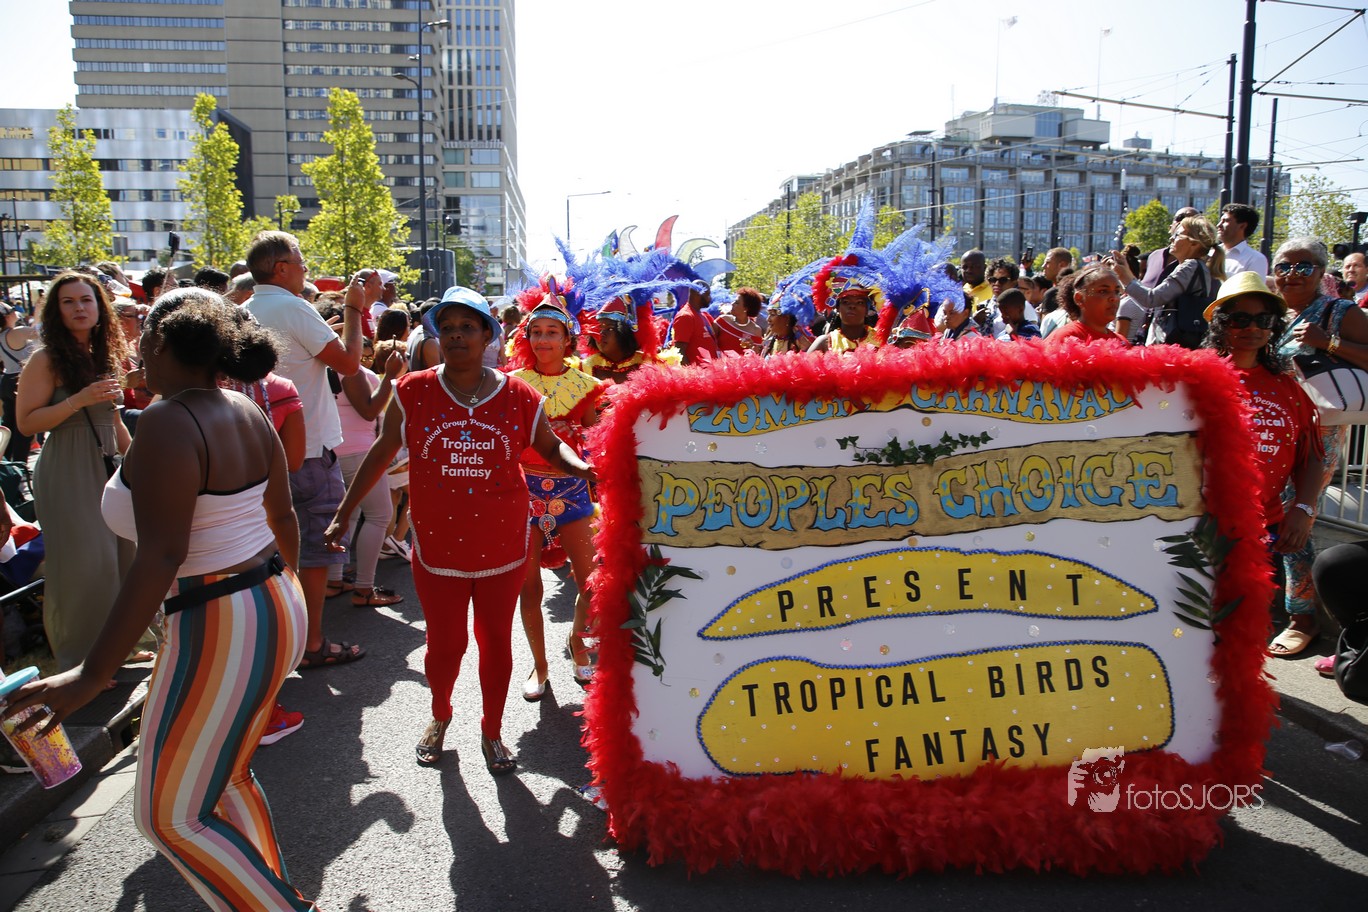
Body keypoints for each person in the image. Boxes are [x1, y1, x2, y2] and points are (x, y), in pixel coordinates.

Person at [2, 288, 318, 910]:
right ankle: (267, 893)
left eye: (143, 332)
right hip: (271, 599)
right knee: (227, 780)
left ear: (165, 344)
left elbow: (162, 555)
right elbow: (282, 517)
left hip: (221, 615)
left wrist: (91, 676)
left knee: (168, 817)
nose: (134, 343)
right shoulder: (244, 407)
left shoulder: (171, 420)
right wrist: (287, 602)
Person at [325, 286, 595, 774]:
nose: (455, 336)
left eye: (467, 326)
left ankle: (492, 730)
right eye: (446, 328)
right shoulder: (412, 391)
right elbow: (383, 451)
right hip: (438, 548)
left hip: (503, 544)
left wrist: (581, 468)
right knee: (445, 646)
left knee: (496, 643)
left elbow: (549, 446)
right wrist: (344, 511)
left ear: (488, 335)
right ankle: (440, 714)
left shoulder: (518, 395)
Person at [244, 231, 367, 670]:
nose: (305, 270)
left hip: (260, 451)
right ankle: (310, 642)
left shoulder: (245, 310)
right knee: (315, 551)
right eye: (301, 262)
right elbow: (350, 363)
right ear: (281, 269)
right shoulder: (294, 307)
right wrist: (354, 309)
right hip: (309, 449)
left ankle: (279, 642)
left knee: (271, 552)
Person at [15, 272, 140, 671]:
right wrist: (78, 400)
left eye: (86, 300)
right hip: (67, 469)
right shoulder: (46, 359)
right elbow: (26, 423)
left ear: (100, 308)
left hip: (106, 466)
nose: (79, 308)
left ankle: (119, 648)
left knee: (122, 555)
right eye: (68, 302)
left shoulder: (103, 355)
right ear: (56, 311)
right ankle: (81, 659)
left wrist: (138, 462)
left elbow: (113, 420)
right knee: (86, 563)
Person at [1202, 272, 1323, 629]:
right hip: (1200, 527)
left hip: (1263, 528)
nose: (1252, 328)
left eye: (1263, 319)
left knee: (1244, 623)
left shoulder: (1287, 387)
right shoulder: (1193, 380)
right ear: (1221, 324)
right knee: (1199, 623)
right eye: (1240, 318)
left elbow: (1311, 455)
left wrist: (1302, 509)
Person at [1266, 238, 1368, 656]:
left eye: (1304, 266)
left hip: (1318, 433)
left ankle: (1301, 617)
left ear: (1322, 271)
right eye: (1284, 266)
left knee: (1297, 515)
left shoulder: (1340, 312)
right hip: (1274, 429)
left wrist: (1329, 343)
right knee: (1272, 513)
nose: (1292, 274)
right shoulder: (1271, 314)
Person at [507, 296, 608, 698]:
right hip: (524, 492)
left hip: (573, 491)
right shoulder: (512, 384)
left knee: (591, 583)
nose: (543, 340)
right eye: (536, 332)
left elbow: (595, 440)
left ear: (568, 339)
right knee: (529, 587)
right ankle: (540, 665)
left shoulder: (586, 386)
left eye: (552, 332)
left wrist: (580, 438)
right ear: (526, 337)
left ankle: (578, 645)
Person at [328, 337, 405, 608]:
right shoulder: (355, 373)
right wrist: (391, 375)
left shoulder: (323, 368)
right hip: (360, 454)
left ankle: (334, 579)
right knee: (379, 515)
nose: (366, 361)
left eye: (368, 357)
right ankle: (364, 589)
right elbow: (372, 412)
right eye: (363, 356)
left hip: (332, 451)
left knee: (348, 514)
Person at [1110, 215, 1224, 347]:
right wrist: (1127, 275)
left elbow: (1151, 299)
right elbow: (1151, 301)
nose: (1171, 238)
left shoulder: (1190, 266)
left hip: (1172, 348)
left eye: (1177, 235)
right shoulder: (1197, 266)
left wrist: (1124, 276)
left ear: (1194, 243)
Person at [1044, 266, 1127, 347]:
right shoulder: (1064, 338)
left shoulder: (1122, 342)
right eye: (1103, 291)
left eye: (1117, 291)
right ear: (1079, 298)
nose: (1114, 298)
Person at [0, 304, 40, 461]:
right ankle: (19, 463)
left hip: (6, 381)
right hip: (21, 381)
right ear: (7, 316)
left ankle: (5, 463)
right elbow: (42, 333)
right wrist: (38, 313)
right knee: (24, 426)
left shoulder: (2, 336)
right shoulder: (17, 332)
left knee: (9, 424)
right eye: (11, 310)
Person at [1141, 206, 1200, 287]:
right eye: (1181, 217)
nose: (1184, 223)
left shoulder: (1203, 264)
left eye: (1193, 220)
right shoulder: (1154, 256)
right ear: (1170, 228)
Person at [809, 287, 878, 352]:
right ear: (838, 309)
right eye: (846, 302)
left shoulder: (880, 339)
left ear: (866, 310)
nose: (852, 306)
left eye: (859, 302)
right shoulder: (825, 343)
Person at [1217, 203, 1269, 279]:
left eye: (1226, 221)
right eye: (1220, 221)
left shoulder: (1255, 259)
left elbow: (1253, 286)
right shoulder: (1210, 253)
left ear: (1242, 226)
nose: (1219, 225)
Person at [715, 287, 765, 355]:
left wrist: (751, 348)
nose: (732, 303)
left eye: (737, 302)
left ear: (746, 309)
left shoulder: (756, 330)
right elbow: (708, 342)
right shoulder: (722, 320)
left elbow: (757, 356)